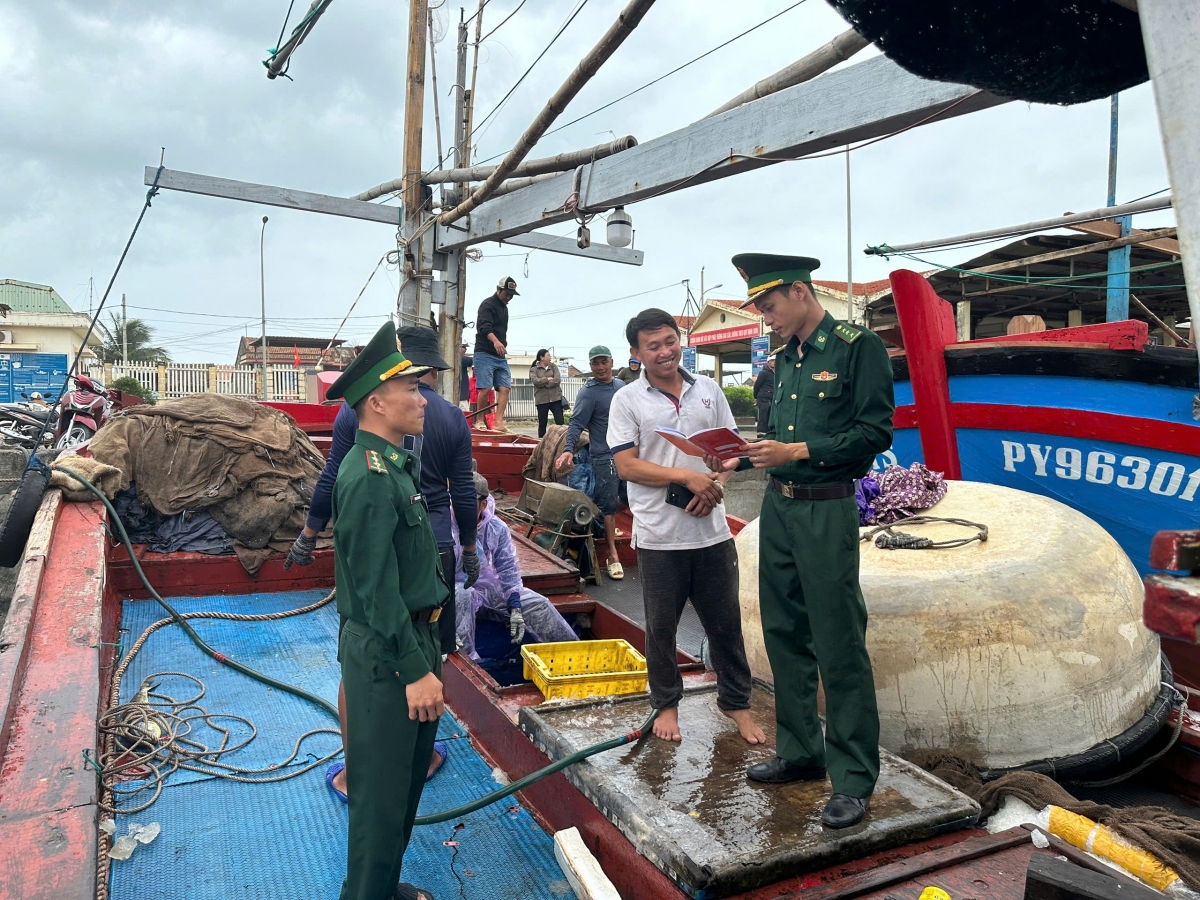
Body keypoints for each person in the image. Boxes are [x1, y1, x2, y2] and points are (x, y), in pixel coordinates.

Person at [730, 253, 894, 830]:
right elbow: (781, 434)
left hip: (827, 509)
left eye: (769, 306)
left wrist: (798, 453)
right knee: (783, 633)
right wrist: (750, 453)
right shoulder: (784, 359)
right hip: (778, 507)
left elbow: (874, 432)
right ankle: (801, 751)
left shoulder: (855, 348)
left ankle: (852, 778)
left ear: (800, 292)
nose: (766, 318)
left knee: (838, 642)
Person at [285, 325, 480, 803]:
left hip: (384, 544)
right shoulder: (452, 419)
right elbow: (464, 492)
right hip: (431, 548)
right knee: (429, 655)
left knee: (361, 670)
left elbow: (332, 476)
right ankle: (421, 759)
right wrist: (470, 547)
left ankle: (356, 769)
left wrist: (310, 533)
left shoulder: (359, 414)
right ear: (433, 368)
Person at [324, 320, 448, 900]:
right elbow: (374, 590)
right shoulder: (369, 478)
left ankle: (382, 887)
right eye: (412, 390)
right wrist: (415, 669)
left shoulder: (394, 465)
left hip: (414, 642)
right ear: (378, 402)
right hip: (389, 654)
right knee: (378, 799)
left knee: (402, 788)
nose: (422, 400)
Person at [607, 308, 764, 746]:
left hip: (711, 531)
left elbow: (734, 451)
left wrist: (716, 479)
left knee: (726, 624)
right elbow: (626, 464)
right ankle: (666, 704)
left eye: (670, 342)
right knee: (661, 628)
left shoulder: (709, 389)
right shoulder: (627, 400)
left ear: (681, 341)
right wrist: (685, 477)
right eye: (653, 346)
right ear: (636, 353)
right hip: (660, 535)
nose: (664, 352)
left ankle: (737, 704)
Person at [454, 473, 578, 657]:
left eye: (468, 503)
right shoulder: (442, 526)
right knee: (463, 594)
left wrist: (516, 606)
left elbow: (507, 568)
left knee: (538, 603)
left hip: (486, 591)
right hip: (452, 594)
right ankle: (465, 664)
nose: (460, 508)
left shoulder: (497, 528)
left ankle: (574, 655)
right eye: (457, 501)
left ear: (483, 505)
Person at [555, 346, 624, 581]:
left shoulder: (621, 387)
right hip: (604, 456)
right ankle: (613, 555)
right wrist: (567, 451)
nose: (600, 367)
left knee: (627, 497)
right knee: (608, 504)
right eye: (595, 364)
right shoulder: (588, 393)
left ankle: (606, 527)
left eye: (604, 362)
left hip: (627, 453)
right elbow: (575, 424)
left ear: (612, 362)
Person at [473, 276, 519, 433]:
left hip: (499, 355)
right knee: (485, 388)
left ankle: (498, 422)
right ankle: (479, 421)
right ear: (498, 290)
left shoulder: (505, 308)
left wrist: (500, 345)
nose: (509, 297)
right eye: (507, 294)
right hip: (485, 352)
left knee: (505, 388)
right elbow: (484, 327)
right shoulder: (487, 304)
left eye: (511, 295)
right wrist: (495, 341)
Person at [529, 349, 564, 438]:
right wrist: (547, 379)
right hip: (542, 400)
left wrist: (544, 384)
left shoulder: (553, 367)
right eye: (548, 355)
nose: (550, 357)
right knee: (542, 423)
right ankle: (541, 442)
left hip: (556, 399)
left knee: (560, 422)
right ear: (542, 357)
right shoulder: (534, 369)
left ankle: (561, 440)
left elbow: (557, 380)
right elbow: (535, 381)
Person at [753, 356, 775, 437]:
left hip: (772, 398)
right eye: (772, 361)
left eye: (775, 360)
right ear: (768, 362)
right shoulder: (764, 373)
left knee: (770, 417)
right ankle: (761, 435)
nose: (774, 362)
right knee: (763, 417)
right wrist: (755, 397)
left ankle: (769, 435)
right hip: (763, 398)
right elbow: (757, 385)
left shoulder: (776, 373)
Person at [459, 342, 473, 410]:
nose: (466, 349)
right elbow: (475, 360)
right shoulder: (459, 359)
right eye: (464, 347)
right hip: (461, 400)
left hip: (461, 398)